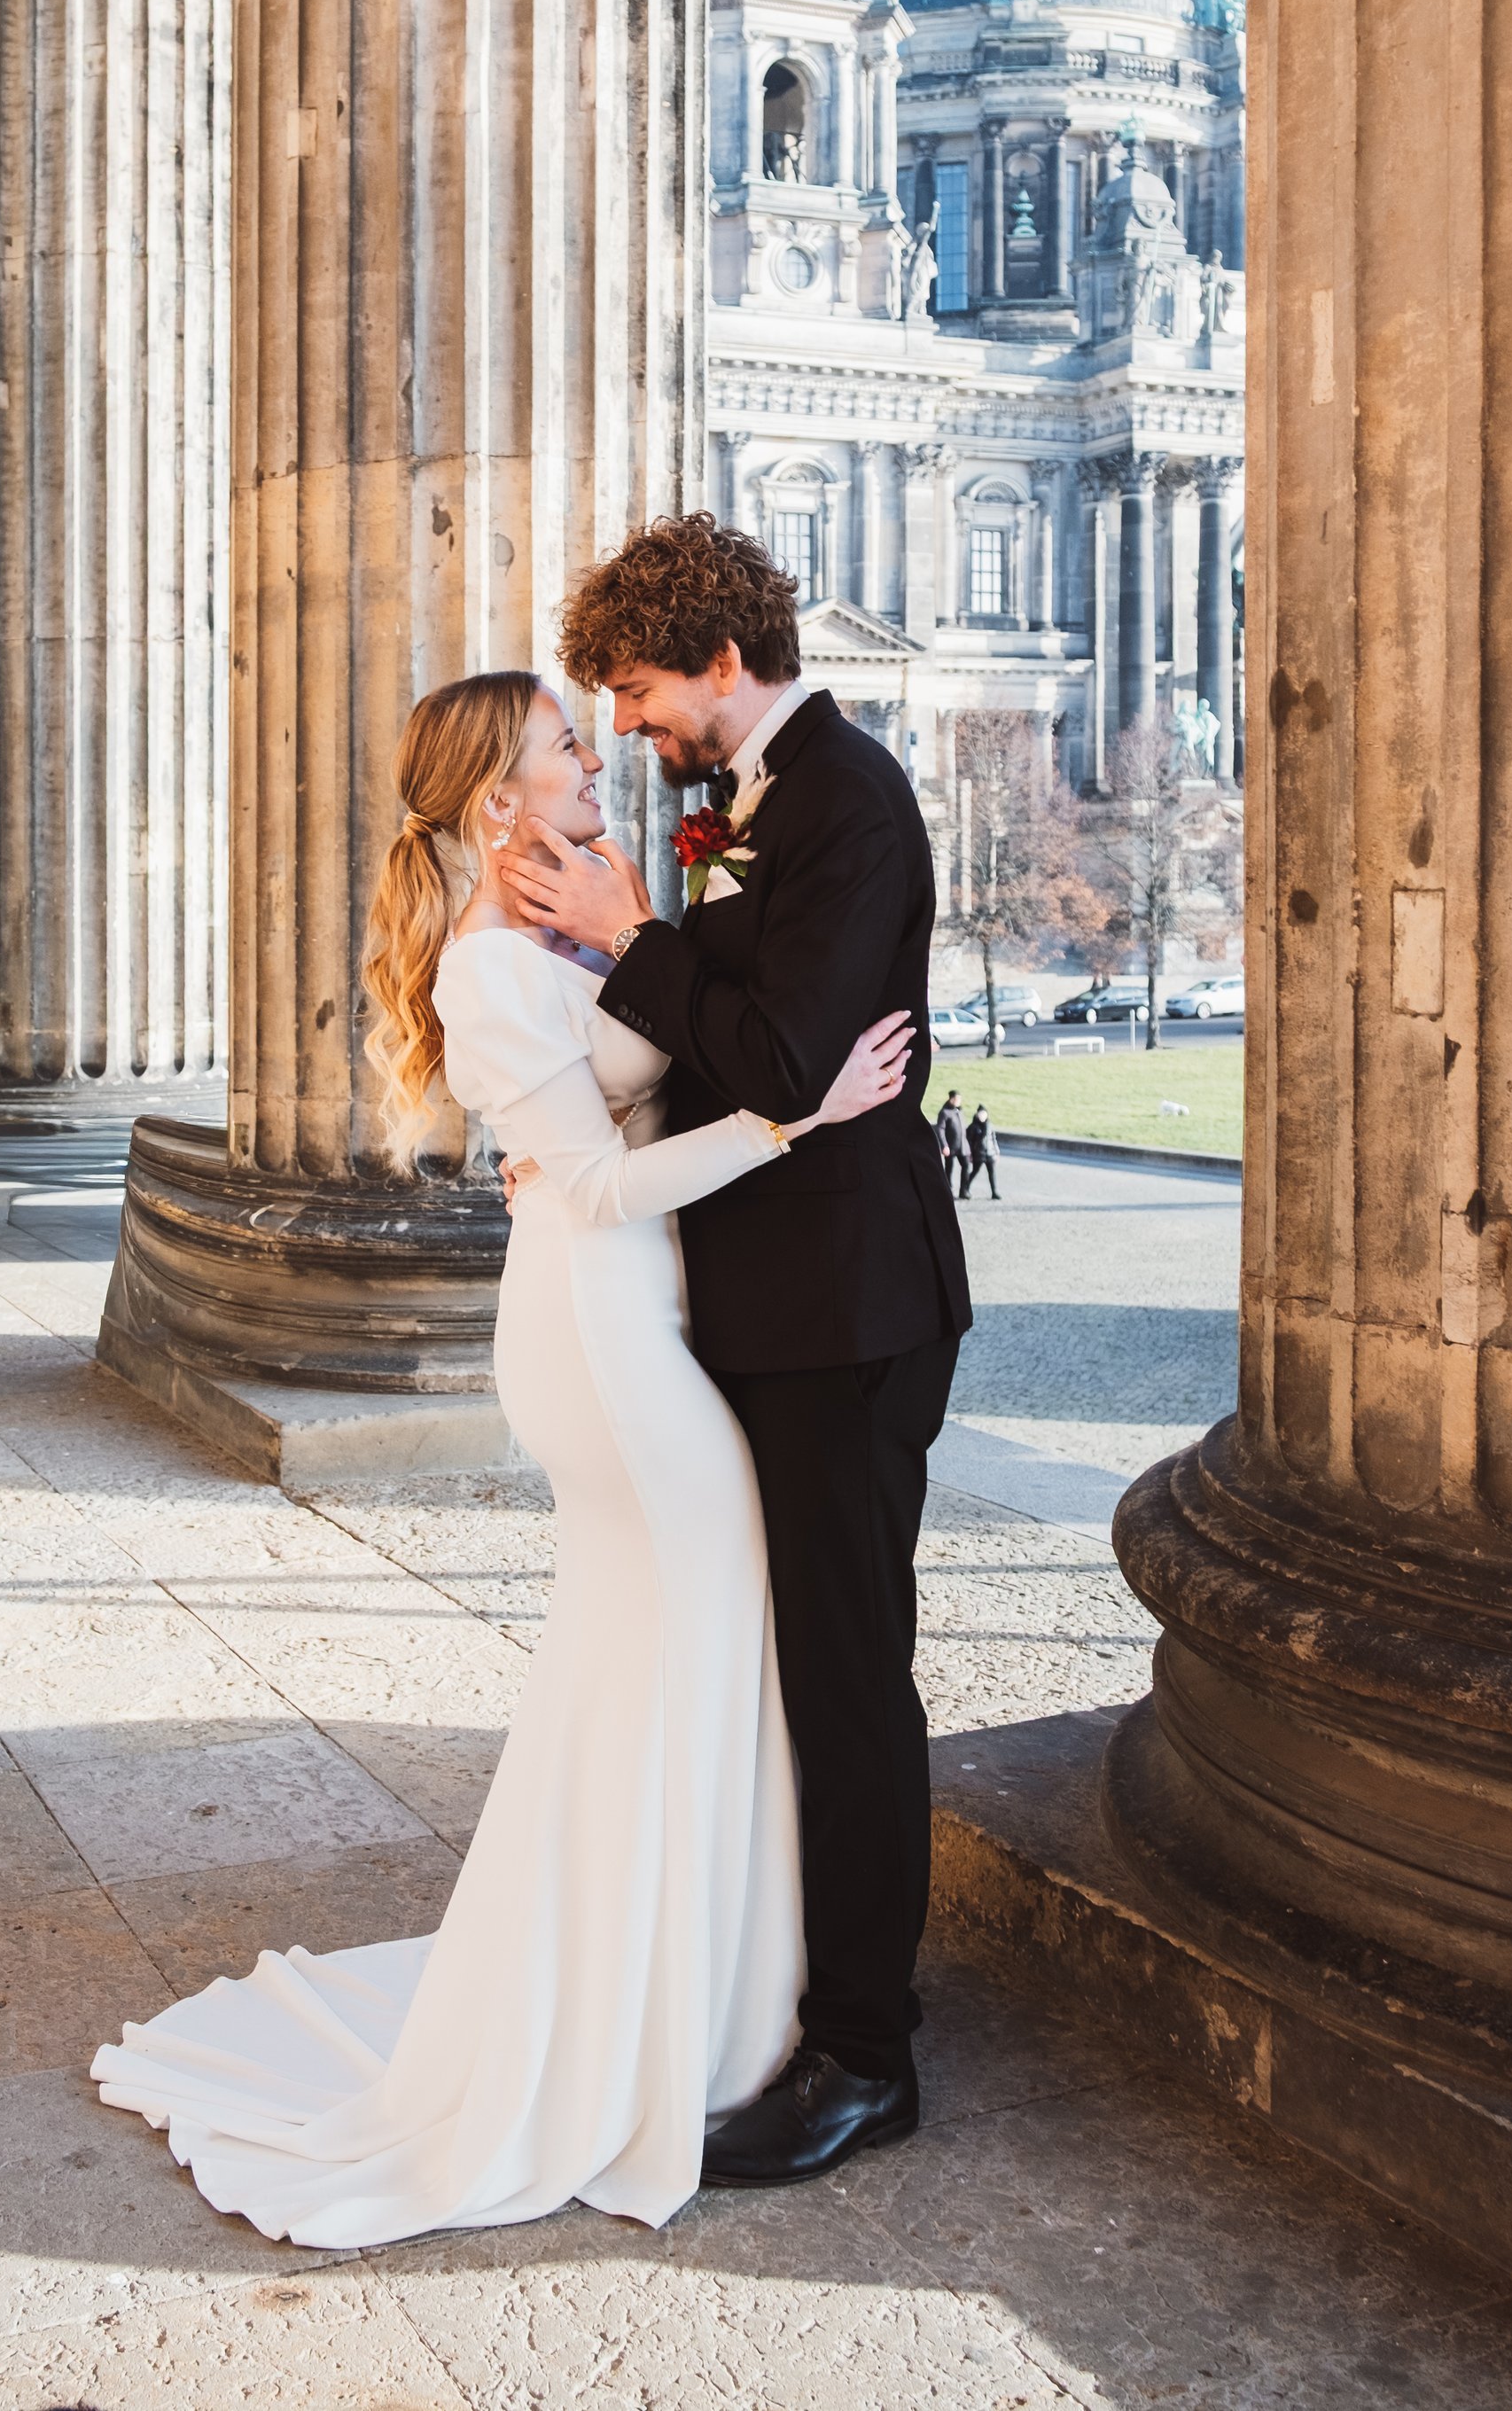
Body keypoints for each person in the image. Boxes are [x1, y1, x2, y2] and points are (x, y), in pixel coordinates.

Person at [90, 668, 911, 2244]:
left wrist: (649, 942)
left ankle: (698, 1993)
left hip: (636, 1332)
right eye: (561, 746)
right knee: (695, 1632)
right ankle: (674, 2010)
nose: (592, 756)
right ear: (498, 801)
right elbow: (588, 1191)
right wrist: (790, 1126)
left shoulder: (544, 937)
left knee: (672, 1656)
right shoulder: (485, 971)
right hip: (602, 1344)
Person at [504, 512, 971, 2189]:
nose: (624, 725)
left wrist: (637, 938)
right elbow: (725, 1032)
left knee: (849, 1677)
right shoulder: (747, 810)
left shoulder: (851, 803)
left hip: (849, 1312)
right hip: (769, 1297)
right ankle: (798, 1978)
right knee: (794, 1661)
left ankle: (865, 2053)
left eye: (633, 691)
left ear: (720, 659)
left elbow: (783, 1052)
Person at [961, 1102, 1000, 1199]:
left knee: (992, 1173)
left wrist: (997, 1152)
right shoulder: (973, 1127)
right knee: (975, 1171)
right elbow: (969, 1141)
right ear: (977, 1114)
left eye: (984, 1114)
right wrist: (969, 1153)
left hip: (990, 1154)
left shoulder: (990, 1125)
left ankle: (994, 1192)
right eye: (981, 1114)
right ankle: (966, 1188)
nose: (982, 1116)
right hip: (978, 1154)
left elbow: (994, 1139)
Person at [934, 1088, 970, 1183]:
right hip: (951, 1145)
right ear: (951, 1099)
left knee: (966, 1165)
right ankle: (948, 1189)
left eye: (959, 1099)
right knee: (949, 1168)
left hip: (962, 1145)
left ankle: (964, 1190)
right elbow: (940, 1129)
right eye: (956, 1099)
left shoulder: (960, 1111)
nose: (958, 1101)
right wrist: (944, 1145)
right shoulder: (944, 1112)